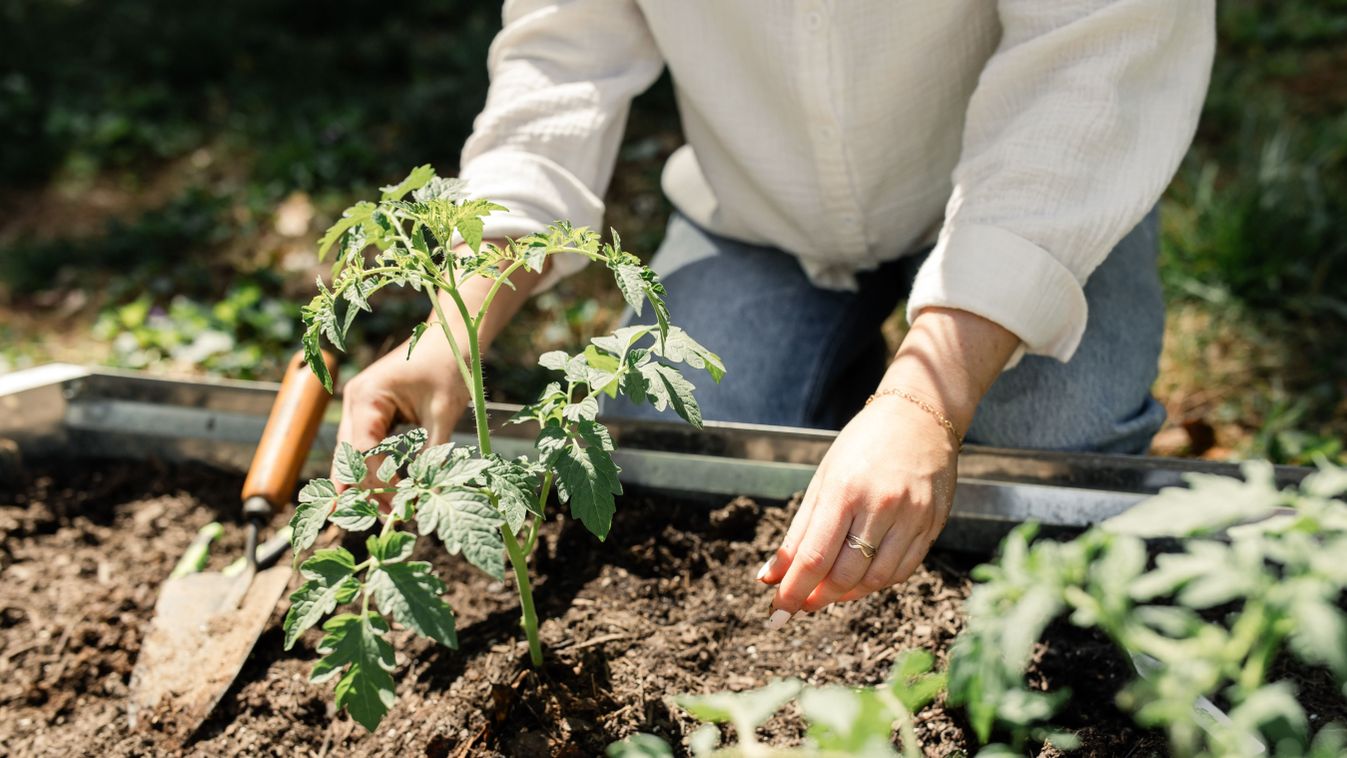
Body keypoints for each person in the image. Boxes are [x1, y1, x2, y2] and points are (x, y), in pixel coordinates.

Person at [334, 1, 1215, 631]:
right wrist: (455, 326)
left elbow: (1089, 66)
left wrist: (927, 400)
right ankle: (850, 423)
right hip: (758, 214)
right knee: (667, 465)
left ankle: (893, 412)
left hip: (1031, 193)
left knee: (1043, 473)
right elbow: (559, 61)